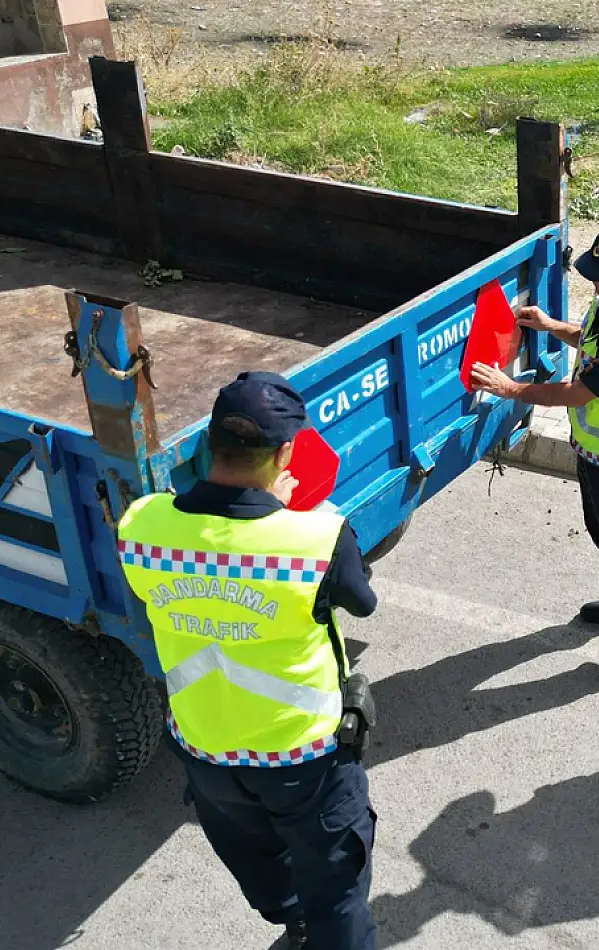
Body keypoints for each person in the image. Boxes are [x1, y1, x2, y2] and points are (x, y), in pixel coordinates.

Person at [117, 372, 380, 950]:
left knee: (259, 864)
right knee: (337, 887)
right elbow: (362, 601)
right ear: (285, 452)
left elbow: (181, 564)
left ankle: (294, 925)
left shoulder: (142, 526)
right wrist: (284, 513)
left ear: (211, 443)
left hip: (206, 751)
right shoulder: (316, 538)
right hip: (303, 758)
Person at [471, 219, 599, 683]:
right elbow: (592, 341)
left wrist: (513, 389)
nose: (593, 281)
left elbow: (579, 391)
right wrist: (550, 325)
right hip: (597, 451)